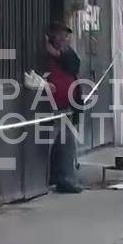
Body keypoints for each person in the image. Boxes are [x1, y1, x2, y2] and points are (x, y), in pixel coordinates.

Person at [45, 22, 83, 194]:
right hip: (50, 106)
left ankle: (65, 178)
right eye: (59, 35)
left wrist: (59, 53)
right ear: (52, 36)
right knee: (49, 143)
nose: (63, 39)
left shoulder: (67, 54)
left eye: (65, 36)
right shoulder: (45, 54)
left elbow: (74, 64)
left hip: (67, 105)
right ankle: (51, 177)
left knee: (66, 143)